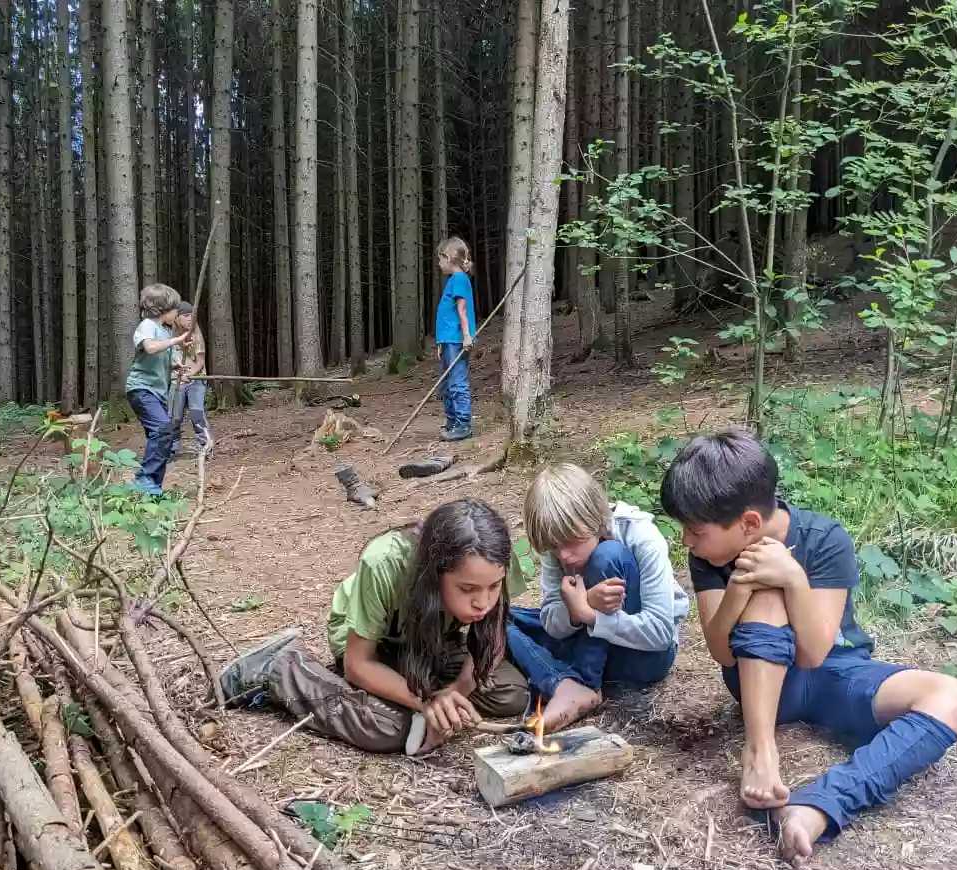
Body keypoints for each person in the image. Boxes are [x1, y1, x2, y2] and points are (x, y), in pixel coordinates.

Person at [659, 430, 957, 867]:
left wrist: (792, 577)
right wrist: (739, 586)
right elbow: (720, 651)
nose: (687, 542)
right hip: (763, 685)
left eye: (695, 531)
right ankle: (760, 750)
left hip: (835, 674)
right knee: (765, 594)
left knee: (954, 699)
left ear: (748, 523)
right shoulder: (711, 555)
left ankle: (822, 805)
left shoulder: (824, 538)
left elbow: (814, 653)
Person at [218, 499, 530, 755]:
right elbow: (358, 664)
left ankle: (418, 690)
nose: (483, 603)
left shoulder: (495, 555)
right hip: (376, 643)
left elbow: (494, 634)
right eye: (467, 590)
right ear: (435, 573)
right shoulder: (384, 561)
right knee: (391, 730)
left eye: (493, 587)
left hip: (434, 637)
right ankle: (281, 668)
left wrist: (455, 692)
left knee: (512, 694)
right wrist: (429, 702)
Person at [507, 464, 689, 732]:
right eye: (554, 547)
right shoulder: (558, 543)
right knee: (499, 617)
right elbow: (551, 622)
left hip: (642, 658)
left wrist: (589, 615)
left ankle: (583, 683)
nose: (564, 556)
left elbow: (661, 634)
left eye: (571, 542)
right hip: (587, 648)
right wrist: (578, 607)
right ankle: (563, 683)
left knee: (609, 556)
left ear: (595, 519)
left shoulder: (640, 536)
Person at [125, 283, 190, 496]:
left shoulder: (163, 330)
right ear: (163, 310)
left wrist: (175, 365)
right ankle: (144, 479)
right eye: (175, 311)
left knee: (164, 436)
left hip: (157, 392)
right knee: (163, 429)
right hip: (142, 389)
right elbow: (150, 348)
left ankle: (153, 489)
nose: (176, 315)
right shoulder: (147, 326)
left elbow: (159, 356)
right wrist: (176, 340)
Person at [434, 237, 477, 442]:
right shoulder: (453, 280)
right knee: (446, 383)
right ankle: (452, 421)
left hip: (457, 339)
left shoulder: (459, 279)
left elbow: (462, 310)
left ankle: (463, 423)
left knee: (457, 382)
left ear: (449, 257)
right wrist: (441, 343)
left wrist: (467, 336)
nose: (438, 263)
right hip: (448, 340)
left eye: (440, 259)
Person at [168, 301, 214, 459]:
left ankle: (205, 446)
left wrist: (190, 375)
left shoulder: (197, 336)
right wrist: (176, 370)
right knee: (174, 416)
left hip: (196, 379)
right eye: (186, 316)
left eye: (192, 316)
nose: (190, 319)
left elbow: (200, 362)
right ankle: (171, 449)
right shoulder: (170, 338)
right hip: (176, 381)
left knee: (196, 413)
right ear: (177, 318)